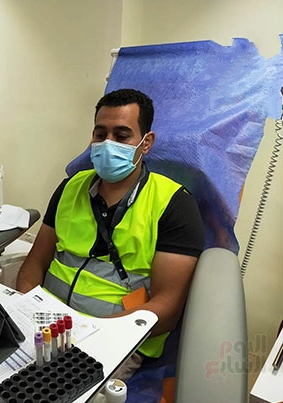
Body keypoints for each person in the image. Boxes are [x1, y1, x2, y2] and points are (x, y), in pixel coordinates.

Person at [16, 88, 204, 377]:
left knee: (41, 389)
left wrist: (94, 334)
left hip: (114, 340)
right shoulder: (70, 187)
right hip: (47, 326)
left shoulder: (174, 205)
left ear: (145, 143)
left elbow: (166, 308)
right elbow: (35, 264)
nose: (107, 144)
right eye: (100, 134)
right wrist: (24, 312)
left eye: (122, 135)